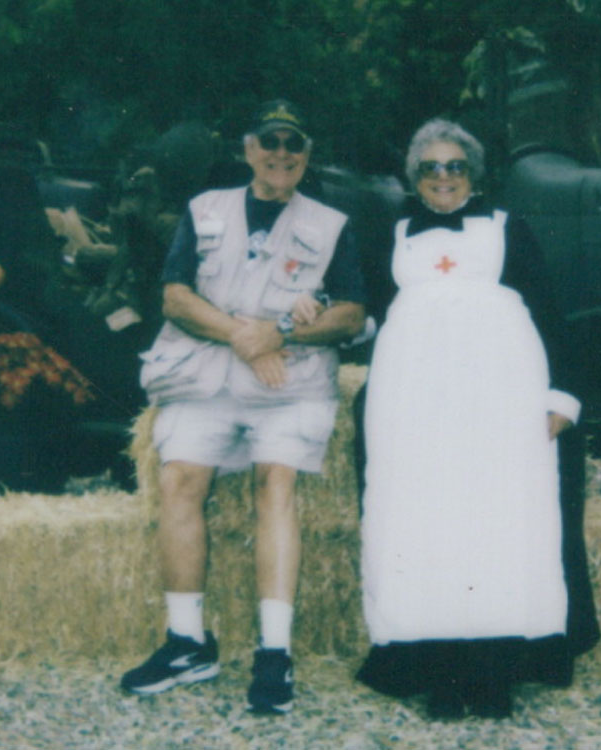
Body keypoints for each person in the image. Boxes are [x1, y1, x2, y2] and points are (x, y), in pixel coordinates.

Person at [120, 99, 367, 715]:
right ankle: (186, 643)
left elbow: (351, 315)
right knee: (179, 480)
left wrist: (278, 336)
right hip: (205, 372)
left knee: (274, 484)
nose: (281, 154)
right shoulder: (204, 209)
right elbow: (175, 298)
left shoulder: (334, 223)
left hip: (288, 380)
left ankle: (274, 654)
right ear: (247, 149)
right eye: (270, 142)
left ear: (307, 156)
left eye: (294, 144)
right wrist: (244, 334)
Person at [356, 118, 600, 719]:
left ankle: (494, 674)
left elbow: (548, 309)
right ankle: (438, 672)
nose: (444, 177)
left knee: (497, 528)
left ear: (474, 174)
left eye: (455, 166)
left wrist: (561, 397)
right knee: (425, 529)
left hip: (499, 401)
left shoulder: (506, 230)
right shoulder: (391, 233)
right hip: (414, 404)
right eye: (431, 167)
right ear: (414, 178)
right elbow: (367, 314)